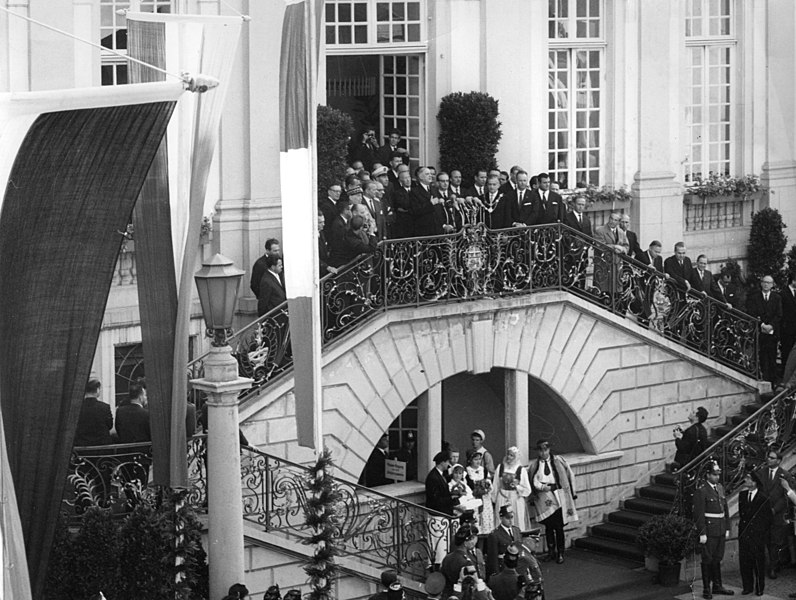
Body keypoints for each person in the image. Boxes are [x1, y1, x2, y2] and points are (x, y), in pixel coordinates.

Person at [527, 439, 578, 564]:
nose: (544, 453)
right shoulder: (535, 465)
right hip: (544, 498)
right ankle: (551, 551)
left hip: (558, 495)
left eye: (546, 450)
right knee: (549, 526)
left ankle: (560, 552)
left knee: (559, 526)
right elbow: (533, 480)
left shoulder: (558, 461)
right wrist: (542, 487)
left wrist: (572, 492)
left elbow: (569, 474)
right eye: (541, 450)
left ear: (549, 450)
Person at [693, 460, 733, 599]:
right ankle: (706, 588)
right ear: (708, 475)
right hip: (710, 530)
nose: (717, 477)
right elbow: (699, 514)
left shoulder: (720, 488)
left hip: (720, 528)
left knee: (717, 558)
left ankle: (717, 585)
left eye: (718, 474)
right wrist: (702, 532)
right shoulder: (702, 491)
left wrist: (727, 527)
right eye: (715, 474)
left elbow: (725, 508)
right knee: (707, 559)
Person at [738, 470, 771, 596]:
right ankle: (747, 586)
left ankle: (759, 587)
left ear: (755, 482)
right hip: (744, 534)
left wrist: (761, 533)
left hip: (757, 536)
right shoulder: (742, 495)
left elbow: (768, 519)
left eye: (748, 479)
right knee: (745, 562)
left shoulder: (763, 498)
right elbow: (742, 515)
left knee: (758, 562)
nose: (746, 481)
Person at [759, 449, 791, 580]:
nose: (769, 459)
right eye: (768, 457)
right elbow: (758, 491)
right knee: (765, 540)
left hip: (777, 514)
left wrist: (775, 509)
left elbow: (786, 496)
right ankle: (769, 565)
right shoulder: (761, 473)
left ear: (778, 461)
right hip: (763, 513)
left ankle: (773, 567)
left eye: (772, 458)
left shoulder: (785, 475)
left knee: (775, 542)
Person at [747, 275, 783, 385]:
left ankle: (773, 381)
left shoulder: (777, 298)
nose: (766, 284)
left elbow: (779, 314)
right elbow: (752, 312)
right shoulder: (755, 297)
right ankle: (764, 377)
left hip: (772, 332)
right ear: (761, 283)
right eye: (764, 282)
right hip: (760, 331)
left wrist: (771, 326)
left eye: (768, 283)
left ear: (772, 285)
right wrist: (762, 325)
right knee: (762, 356)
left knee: (772, 356)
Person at [426, 450, 457, 566]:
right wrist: (451, 498)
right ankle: (438, 566)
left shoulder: (440, 475)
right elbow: (435, 500)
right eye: (447, 462)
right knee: (438, 547)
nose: (448, 465)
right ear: (442, 462)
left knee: (442, 545)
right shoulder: (433, 477)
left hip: (442, 515)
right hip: (437, 516)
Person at [491, 447, 532, 532]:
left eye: (512, 455)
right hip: (502, 498)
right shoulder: (500, 467)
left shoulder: (521, 470)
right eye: (508, 455)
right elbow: (495, 485)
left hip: (515, 499)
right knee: (501, 521)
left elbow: (527, 490)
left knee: (516, 522)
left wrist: (517, 487)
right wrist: (494, 499)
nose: (509, 457)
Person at [592, 212, 629, 296]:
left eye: (615, 220)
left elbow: (626, 246)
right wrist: (615, 247)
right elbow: (600, 245)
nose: (612, 221)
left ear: (619, 222)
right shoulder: (600, 230)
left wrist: (622, 249)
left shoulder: (621, 232)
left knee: (616, 291)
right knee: (603, 291)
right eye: (611, 219)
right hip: (604, 265)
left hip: (617, 265)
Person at [485, 505, 523, 581]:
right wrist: (496, 575)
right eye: (507, 518)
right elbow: (493, 558)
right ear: (501, 518)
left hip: (518, 568)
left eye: (512, 517)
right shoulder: (494, 535)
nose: (510, 520)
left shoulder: (517, 530)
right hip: (504, 569)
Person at [74, 378, 113, 446]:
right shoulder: (105, 407)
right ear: (97, 390)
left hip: (82, 447)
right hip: (102, 447)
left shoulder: (77, 408)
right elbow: (110, 425)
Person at [672, 406, 709, 470]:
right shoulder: (702, 429)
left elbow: (683, 448)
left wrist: (677, 437)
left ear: (696, 417)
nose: (690, 412)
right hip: (696, 463)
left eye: (693, 412)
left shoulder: (692, 431)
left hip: (687, 464)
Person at [466, 451, 494, 534]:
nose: (478, 461)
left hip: (485, 500)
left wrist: (487, 488)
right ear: (470, 460)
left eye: (479, 459)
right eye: (475, 459)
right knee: (475, 520)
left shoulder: (484, 471)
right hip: (473, 500)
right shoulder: (466, 471)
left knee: (485, 520)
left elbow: (490, 485)